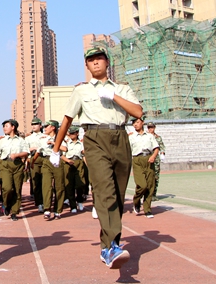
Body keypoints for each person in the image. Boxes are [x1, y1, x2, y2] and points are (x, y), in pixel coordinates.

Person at [53, 46, 142, 269]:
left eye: (99, 59)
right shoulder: (81, 91)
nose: (95, 62)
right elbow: (66, 120)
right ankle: (112, 245)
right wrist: (56, 149)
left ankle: (107, 246)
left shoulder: (122, 88)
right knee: (104, 190)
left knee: (119, 195)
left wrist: (114, 96)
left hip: (120, 137)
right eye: (90, 60)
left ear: (107, 62)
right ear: (86, 65)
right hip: (94, 137)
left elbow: (138, 112)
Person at [0, 119, 29, 221]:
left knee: (17, 189)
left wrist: (17, 155)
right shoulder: (1, 141)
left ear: (13, 127)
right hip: (5, 164)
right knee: (7, 187)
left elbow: (26, 152)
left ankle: (14, 212)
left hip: (17, 165)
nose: (4, 128)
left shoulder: (21, 141)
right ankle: (6, 204)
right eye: (3, 126)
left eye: (6, 126)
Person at [130, 117, 159, 218]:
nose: (135, 125)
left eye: (137, 122)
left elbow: (156, 148)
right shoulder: (131, 137)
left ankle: (147, 209)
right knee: (142, 185)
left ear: (142, 123)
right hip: (137, 160)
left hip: (148, 159)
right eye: (133, 123)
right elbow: (127, 151)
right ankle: (136, 201)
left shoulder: (150, 136)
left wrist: (153, 156)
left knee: (150, 185)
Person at [40, 120, 67, 220]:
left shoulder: (59, 137)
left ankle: (58, 210)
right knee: (46, 185)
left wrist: (54, 143)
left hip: (57, 161)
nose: (45, 128)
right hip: (46, 161)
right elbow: (38, 151)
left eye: (47, 126)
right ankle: (47, 209)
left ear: (53, 128)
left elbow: (65, 149)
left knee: (59, 186)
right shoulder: (43, 138)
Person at [63, 125, 87, 214]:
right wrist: (67, 160)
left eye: (73, 133)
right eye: (70, 133)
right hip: (68, 163)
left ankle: (80, 201)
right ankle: (73, 206)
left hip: (79, 162)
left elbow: (84, 154)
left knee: (80, 184)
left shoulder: (81, 143)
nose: (71, 135)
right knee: (69, 185)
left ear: (77, 133)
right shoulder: (66, 143)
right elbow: (61, 155)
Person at [26, 117, 46, 213]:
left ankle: (46, 202)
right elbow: (25, 150)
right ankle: (39, 203)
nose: (33, 126)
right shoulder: (29, 138)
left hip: (45, 158)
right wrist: (33, 148)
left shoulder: (45, 136)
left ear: (40, 125)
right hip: (34, 158)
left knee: (46, 182)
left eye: (36, 124)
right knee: (36, 182)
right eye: (32, 124)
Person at [147, 122, 165, 201]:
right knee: (147, 177)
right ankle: (147, 194)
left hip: (156, 159)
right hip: (147, 158)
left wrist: (162, 154)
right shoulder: (145, 137)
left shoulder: (158, 138)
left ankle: (154, 194)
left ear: (154, 128)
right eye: (149, 127)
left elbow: (162, 146)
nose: (150, 129)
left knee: (156, 177)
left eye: (152, 127)